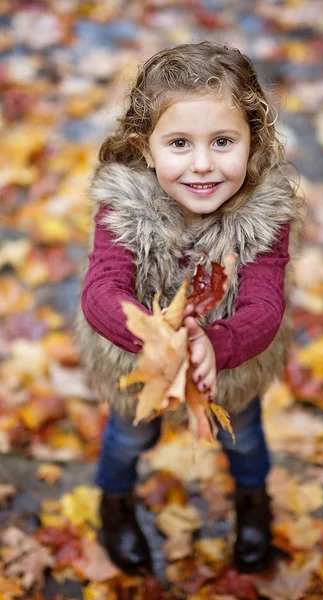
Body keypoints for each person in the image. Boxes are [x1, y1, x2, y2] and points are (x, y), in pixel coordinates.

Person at [75, 40, 302, 576]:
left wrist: (217, 346)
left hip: (230, 369)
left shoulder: (265, 216)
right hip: (137, 365)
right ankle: (115, 502)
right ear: (146, 148)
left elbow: (265, 303)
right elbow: (101, 289)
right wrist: (156, 338)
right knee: (127, 436)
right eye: (180, 143)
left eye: (223, 141)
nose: (203, 164)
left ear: (254, 140)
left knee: (243, 436)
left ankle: (252, 502)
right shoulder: (123, 205)